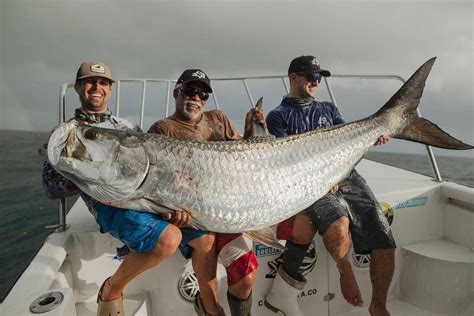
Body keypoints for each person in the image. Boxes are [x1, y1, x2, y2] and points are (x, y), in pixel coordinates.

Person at [42, 61, 215, 316]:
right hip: (111, 204)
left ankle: (210, 306)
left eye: (103, 82)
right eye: (90, 81)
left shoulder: (127, 128)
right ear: (78, 87)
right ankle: (112, 289)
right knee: (169, 239)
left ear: (110, 89)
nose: (96, 87)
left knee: (206, 239)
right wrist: (81, 177)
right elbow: (50, 186)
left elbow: (153, 169)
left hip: (147, 199)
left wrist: (171, 205)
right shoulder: (69, 134)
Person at [264, 56, 396, 316]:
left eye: (319, 78)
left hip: (347, 176)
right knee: (338, 224)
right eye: (312, 77)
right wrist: (324, 179)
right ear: (294, 77)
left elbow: (348, 143)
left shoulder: (329, 109)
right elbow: (283, 161)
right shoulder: (277, 116)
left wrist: (371, 139)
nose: (316, 82)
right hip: (310, 183)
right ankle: (344, 270)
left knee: (384, 238)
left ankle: (379, 305)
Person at [148, 69, 264, 316]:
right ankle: (209, 308)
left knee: (246, 278)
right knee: (206, 240)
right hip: (193, 215)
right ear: (176, 92)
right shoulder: (162, 129)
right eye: (190, 91)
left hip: (227, 209)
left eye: (202, 94)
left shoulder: (218, 119)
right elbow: (157, 182)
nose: (196, 98)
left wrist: (251, 130)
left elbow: (243, 158)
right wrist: (172, 210)